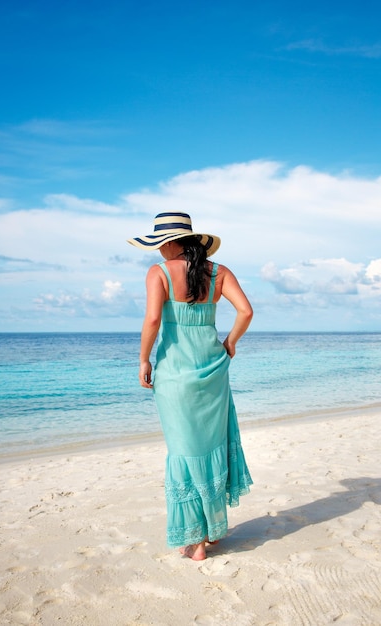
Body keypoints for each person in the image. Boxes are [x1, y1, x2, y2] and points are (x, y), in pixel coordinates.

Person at [127, 212, 253, 561]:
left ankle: (195, 542)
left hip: (175, 375)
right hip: (213, 370)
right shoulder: (220, 272)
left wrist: (143, 359)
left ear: (168, 243)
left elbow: (153, 319)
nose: (158, 251)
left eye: (158, 244)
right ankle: (212, 532)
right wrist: (230, 344)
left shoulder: (159, 273)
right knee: (210, 446)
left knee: (184, 451)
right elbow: (245, 312)